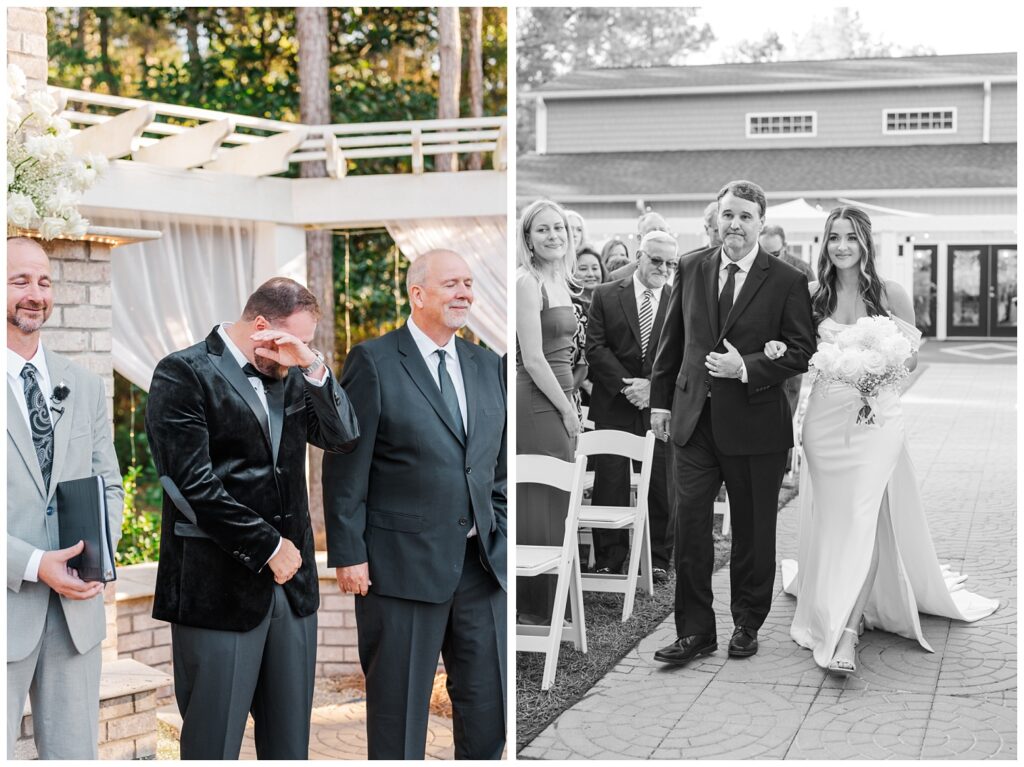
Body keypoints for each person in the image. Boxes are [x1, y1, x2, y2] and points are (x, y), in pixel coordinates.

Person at [777, 206, 997, 675]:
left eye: (851, 238)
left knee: (866, 520)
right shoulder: (814, 296)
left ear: (866, 243)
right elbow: (799, 353)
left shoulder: (892, 293)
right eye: (833, 237)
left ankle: (847, 632)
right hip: (824, 424)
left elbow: (912, 360)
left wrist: (883, 365)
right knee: (839, 521)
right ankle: (836, 593)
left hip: (877, 423)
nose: (841, 246)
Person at [145, 277, 359, 759]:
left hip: (292, 592)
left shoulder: (293, 370)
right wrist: (267, 547)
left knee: (289, 746)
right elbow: (190, 484)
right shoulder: (183, 372)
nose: (300, 350)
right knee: (214, 744)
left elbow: (344, 437)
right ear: (261, 325)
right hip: (217, 587)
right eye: (298, 339)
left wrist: (314, 365)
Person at [324, 249, 507, 759]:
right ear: (418, 293)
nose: (465, 293)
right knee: (398, 716)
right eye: (452, 284)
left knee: (488, 711)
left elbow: (497, 466)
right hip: (398, 570)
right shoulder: (375, 361)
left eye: (469, 283)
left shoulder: (487, 364)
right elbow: (345, 464)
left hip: (482, 569)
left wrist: (502, 528)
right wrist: (348, 552)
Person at [649, 180, 816, 666]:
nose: (735, 225)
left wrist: (745, 367)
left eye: (745, 216)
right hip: (693, 423)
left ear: (761, 222)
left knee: (753, 531)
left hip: (755, 424)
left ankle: (747, 622)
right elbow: (671, 341)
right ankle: (696, 633)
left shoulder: (785, 280)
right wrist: (662, 403)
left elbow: (801, 351)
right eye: (728, 215)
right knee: (691, 530)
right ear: (716, 219)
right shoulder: (691, 265)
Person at [6, 237, 124, 759]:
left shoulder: (85, 385)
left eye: (45, 281)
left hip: (76, 617)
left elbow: (110, 485)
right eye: (20, 281)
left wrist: (97, 557)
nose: (36, 294)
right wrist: (34, 564)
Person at [586, 230, 679, 583]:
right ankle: (609, 558)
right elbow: (595, 348)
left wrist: (653, 389)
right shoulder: (606, 295)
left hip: (659, 406)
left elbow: (685, 354)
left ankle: (657, 558)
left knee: (661, 484)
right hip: (614, 402)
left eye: (670, 263)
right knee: (611, 481)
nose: (664, 268)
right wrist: (630, 387)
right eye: (657, 260)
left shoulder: (679, 300)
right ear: (639, 256)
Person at [515, 199, 582, 625]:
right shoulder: (527, 282)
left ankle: (555, 602)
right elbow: (534, 359)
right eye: (543, 229)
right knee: (540, 498)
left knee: (559, 495)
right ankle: (536, 606)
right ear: (528, 238)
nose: (554, 235)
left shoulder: (562, 281)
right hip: (538, 400)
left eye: (559, 228)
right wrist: (567, 408)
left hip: (561, 395)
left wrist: (572, 400)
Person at [759, 224, 813, 420]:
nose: (770, 259)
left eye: (775, 253)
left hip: (789, 349)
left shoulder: (801, 270)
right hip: (759, 350)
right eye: (764, 252)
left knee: (785, 413)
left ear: (786, 247)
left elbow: (812, 313)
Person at [609, 210, 670, 281]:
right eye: (652, 231)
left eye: (662, 231)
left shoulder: (681, 272)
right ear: (639, 238)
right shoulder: (618, 277)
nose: (658, 235)